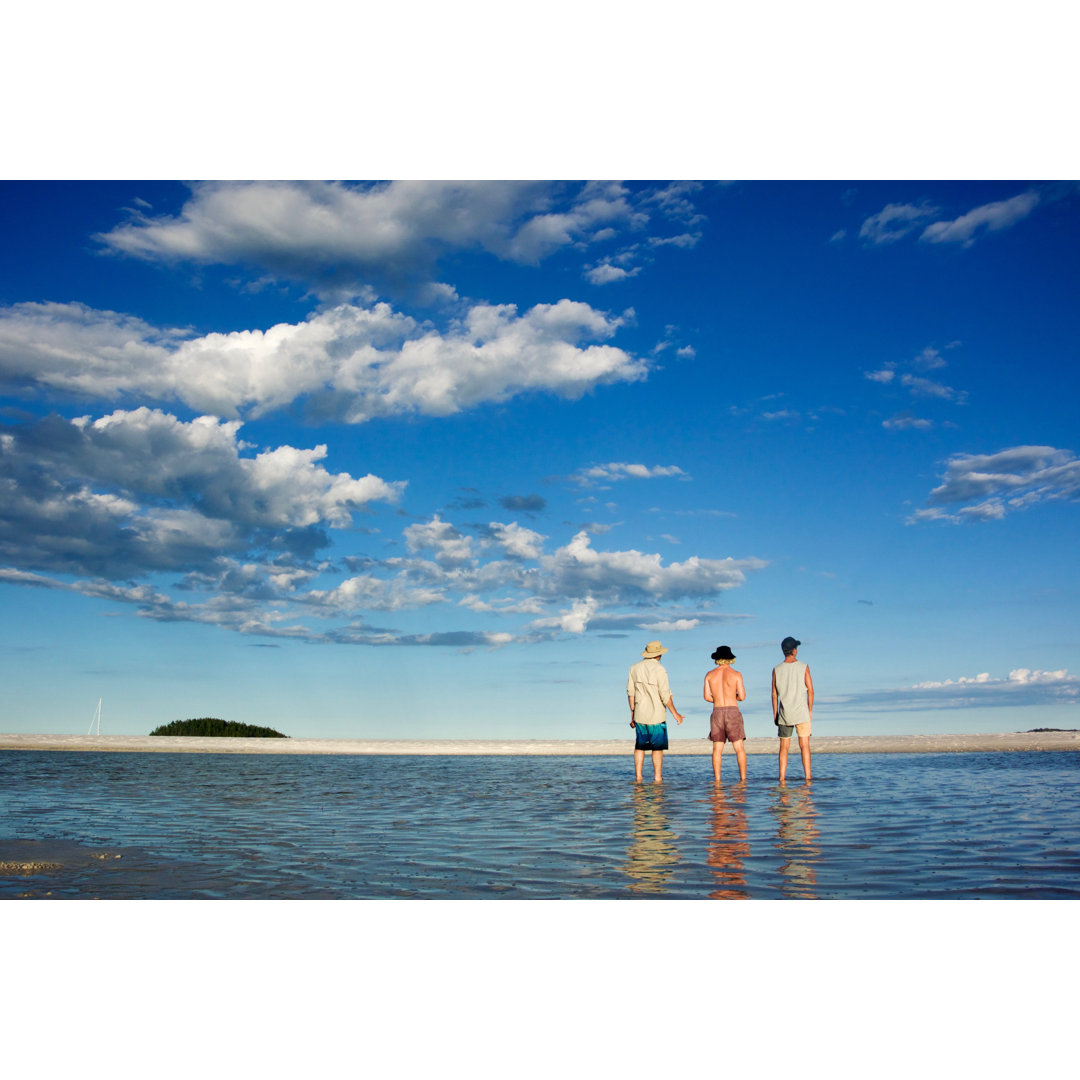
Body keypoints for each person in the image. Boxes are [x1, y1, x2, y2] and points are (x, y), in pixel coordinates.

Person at [627, 640, 684, 782]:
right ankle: (657, 777)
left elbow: (631, 693)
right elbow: (665, 695)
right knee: (657, 748)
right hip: (656, 714)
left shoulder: (634, 668)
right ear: (659, 655)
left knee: (640, 746)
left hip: (640, 713)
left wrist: (632, 715)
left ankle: (638, 777)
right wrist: (675, 714)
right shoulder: (660, 669)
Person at [772, 636, 814, 783]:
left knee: (784, 747)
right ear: (794, 651)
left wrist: (775, 713)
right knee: (805, 746)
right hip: (801, 712)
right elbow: (811, 690)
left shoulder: (777, 669)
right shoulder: (804, 666)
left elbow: (774, 694)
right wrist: (810, 710)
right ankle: (808, 777)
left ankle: (782, 778)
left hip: (784, 713)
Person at [704, 645, 747, 782]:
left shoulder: (710, 675)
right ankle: (743, 779)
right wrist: (732, 697)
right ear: (730, 658)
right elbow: (742, 696)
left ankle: (717, 780)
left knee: (717, 748)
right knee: (739, 748)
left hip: (717, 711)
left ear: (717, 658)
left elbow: (706, 697)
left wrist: (717, 699)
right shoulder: (736, 674)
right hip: (733, 710)